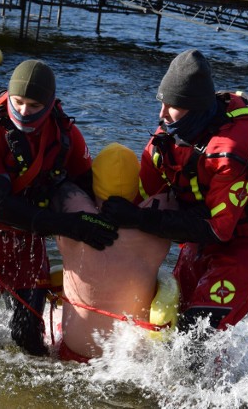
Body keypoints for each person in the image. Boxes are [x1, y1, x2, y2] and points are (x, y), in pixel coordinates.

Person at [102, 49, 248, 336]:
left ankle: (230, 380)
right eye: (162, 103)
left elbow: (218, 230)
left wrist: (138, 219)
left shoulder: (236, 149)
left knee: (198, 329)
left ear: (195, 107)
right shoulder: (165, 142)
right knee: (170, 313)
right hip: (202, 228)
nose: (162, 114)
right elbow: (138, 201)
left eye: (173, 106)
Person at [0, 59, 118, 356]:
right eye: (17, 102)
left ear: (49, 104)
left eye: (33, 105)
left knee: (29, 339)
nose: (23, 111)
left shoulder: (65, 134)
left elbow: (88, 186)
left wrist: (112, 223)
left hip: (25, 242)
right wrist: (71, 226)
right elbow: (3, 209)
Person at [52, 143, 177, 362]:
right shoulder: (155, 226)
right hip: (127, 359)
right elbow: (173, 196)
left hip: (72, 350)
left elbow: (59, 186)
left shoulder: (73, 212)